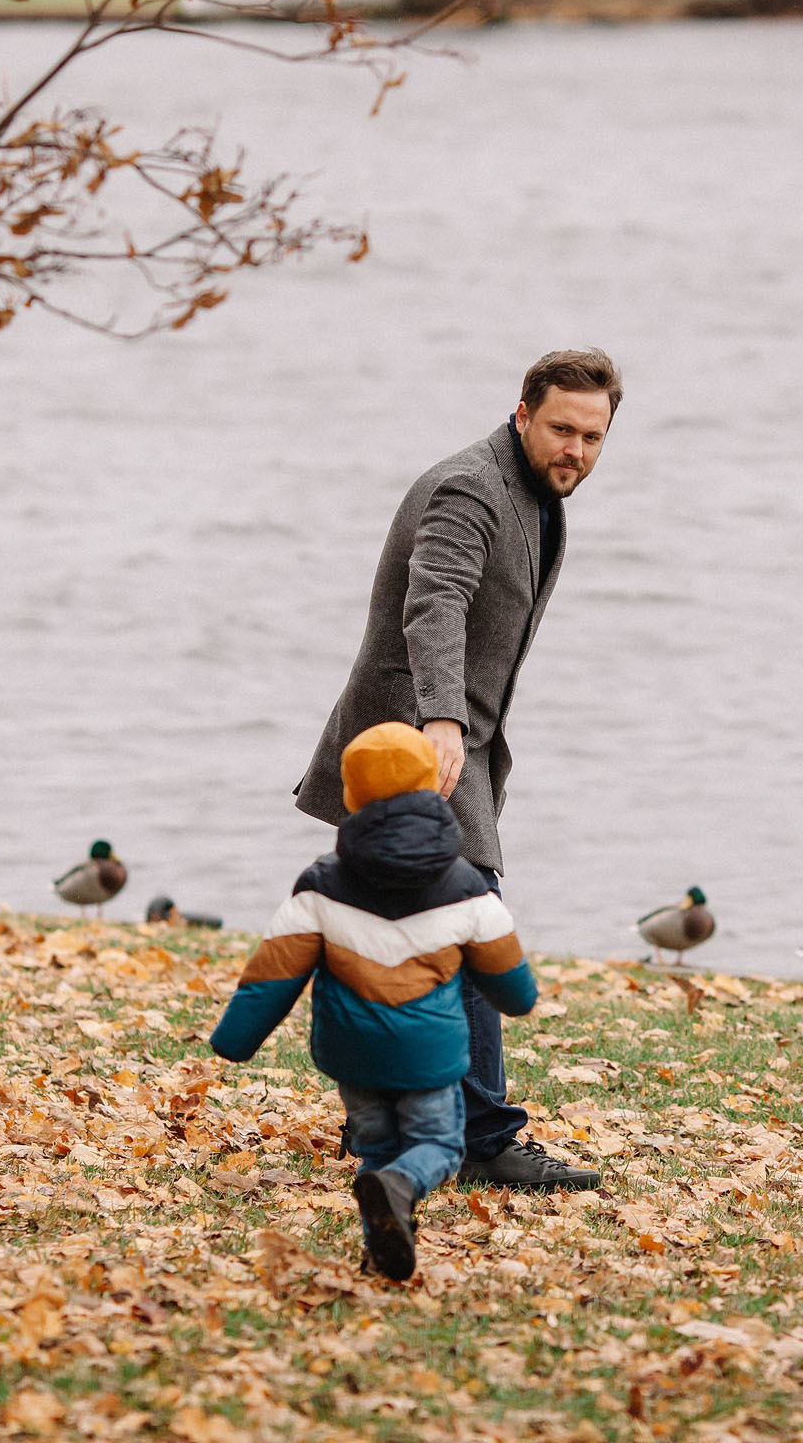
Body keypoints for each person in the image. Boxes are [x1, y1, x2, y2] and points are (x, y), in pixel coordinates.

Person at [295, 349, 620, 1191]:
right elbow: (432, 601)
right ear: (522, 413)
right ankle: (483, 1134)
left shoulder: (540, 495)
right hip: (415, 735)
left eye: (592, 435)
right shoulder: (471, 488)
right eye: (561, 428)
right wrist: (441, 717)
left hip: (457, 736)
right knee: (470, 912)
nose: (575, 449)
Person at [212, 723, 538, 1280]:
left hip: (353, 1057)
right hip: (428, 1058)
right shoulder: (465, 885)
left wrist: (235, 1040)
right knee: (436, 1145)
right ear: (434, 785)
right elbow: (511, 982)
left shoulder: (320, 884)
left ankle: (385, 1248)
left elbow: (271, 974)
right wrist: (518, 997)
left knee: (379, 1150)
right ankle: (401, 1189)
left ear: (350, 797)